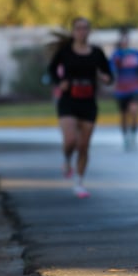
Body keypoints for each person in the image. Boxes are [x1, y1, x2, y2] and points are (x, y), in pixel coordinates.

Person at [47, 17, 113, 198]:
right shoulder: (65, 52)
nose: (82, 31)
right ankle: (67, 159)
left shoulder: (97, 53)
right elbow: (52, 70)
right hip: (68, 101)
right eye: (78, 28)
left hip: (88, 102)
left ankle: (79, 182)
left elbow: (108, 74)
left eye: (85, 28)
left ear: (89, 31)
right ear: (73, 31)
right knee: (70, 141)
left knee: (83, 145)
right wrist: (60, 82)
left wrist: (106, 78)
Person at [110, 28, 138, 151]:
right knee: (124, 115)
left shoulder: (136, 53)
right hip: (121, 89)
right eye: (122, 38)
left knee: (134, 111)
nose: (124, 40)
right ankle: (125, 136)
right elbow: (112, 71)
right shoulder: (116, 54)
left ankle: (134, 135)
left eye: (126, 38)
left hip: (135, 88)